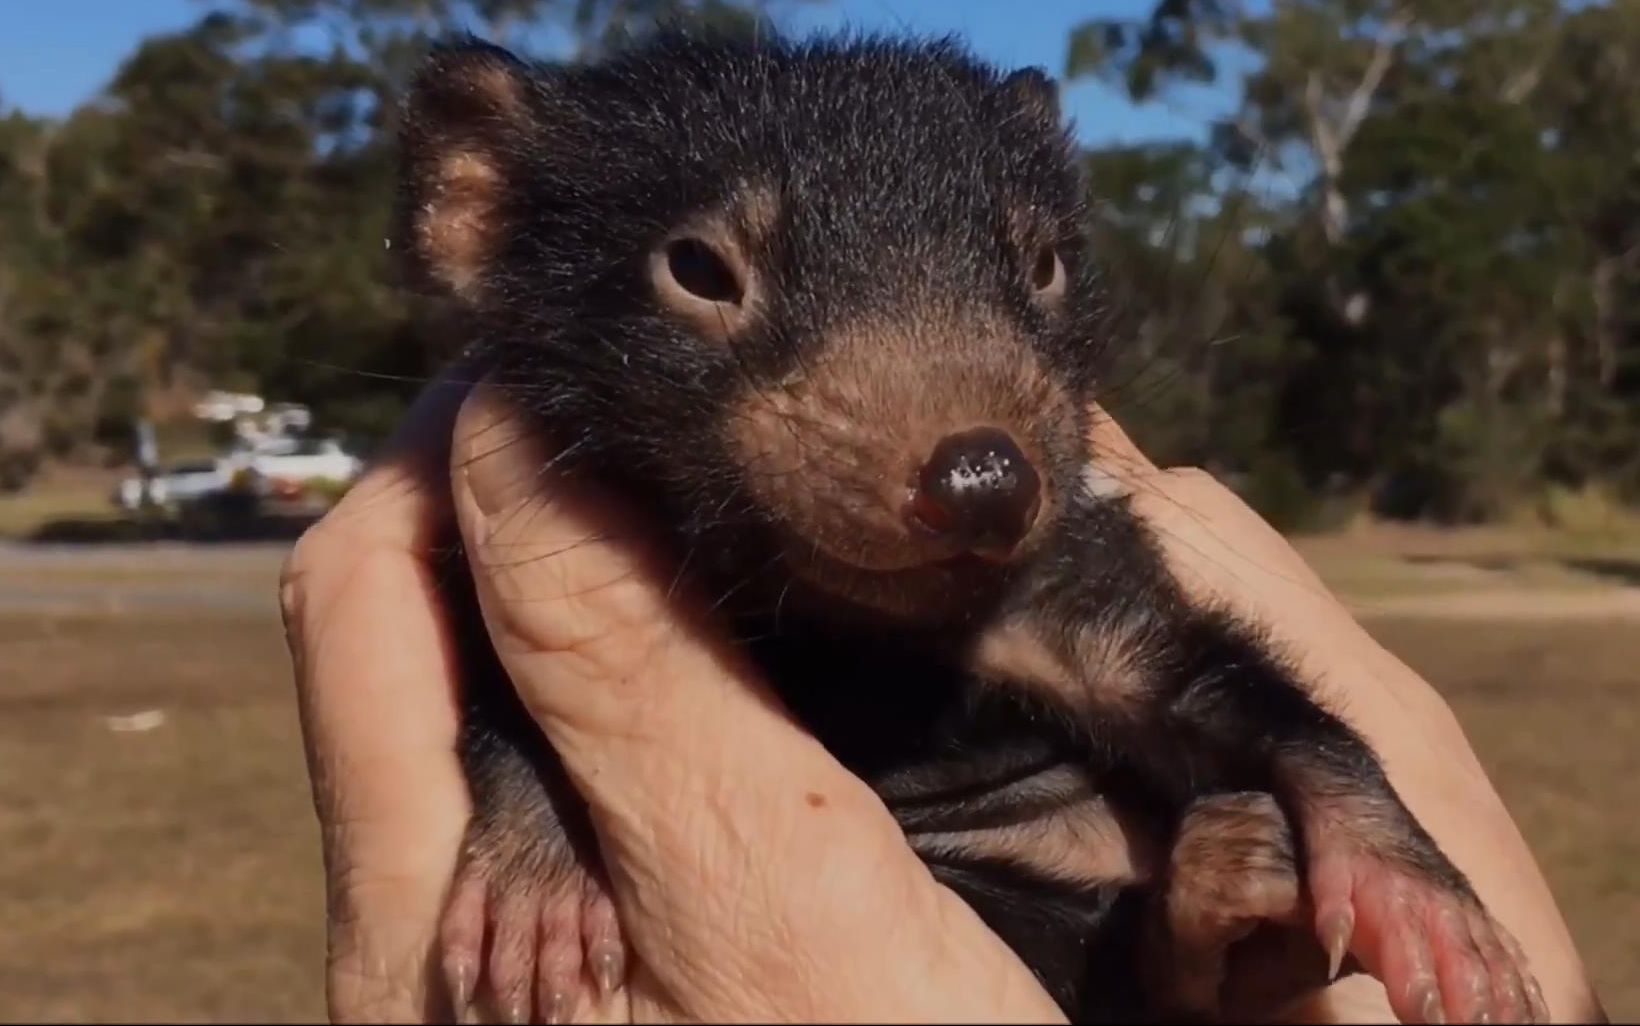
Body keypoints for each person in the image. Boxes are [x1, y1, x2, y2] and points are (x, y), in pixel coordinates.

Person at [279, 369, 1606, 1024]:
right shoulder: (594, 496)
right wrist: (532, 822)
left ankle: (1171, 948)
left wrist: (1374, 831)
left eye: (1014, 274)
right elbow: (517, 702)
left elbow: (1219, 696)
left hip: (1061, 893)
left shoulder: (1058, 558)